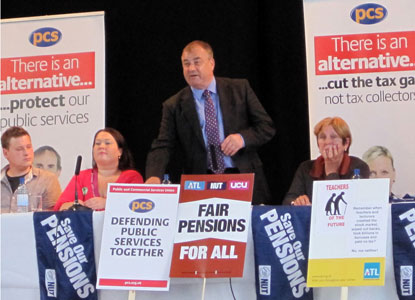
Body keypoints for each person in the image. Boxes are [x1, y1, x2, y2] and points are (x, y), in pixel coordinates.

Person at [145, 40, 275, 204]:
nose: (191, 68)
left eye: (197, 62)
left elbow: (266, 127)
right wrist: (153, 177)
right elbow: (163, 145)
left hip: (242, 176)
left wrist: (242, 139)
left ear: (211, 63)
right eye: (186, 64)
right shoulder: (174, 105)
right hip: (200, 182)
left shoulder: (239, 89)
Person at [283, 117, 370, 206]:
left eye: (333, 137)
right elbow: (288, 202)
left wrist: (331, 171)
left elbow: (350, 205)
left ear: (346, 143)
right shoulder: (306, 167)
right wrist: (297, 202)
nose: (327, 142)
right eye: (322, 137)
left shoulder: (359, 166)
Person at [54, 128, 143, 211]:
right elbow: (60, 207)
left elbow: (138, 206)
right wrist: (74, 205)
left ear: (120, 151)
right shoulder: (81, 176)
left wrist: (107, 203)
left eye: (107, 143)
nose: (101, 146)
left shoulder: (131, 177)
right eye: (97, 143)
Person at [1, 127, 61, 213]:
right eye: (19, 149)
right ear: (6, 153)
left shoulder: (48, 180)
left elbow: (54, 217)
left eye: (28, 147)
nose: (26, 153)